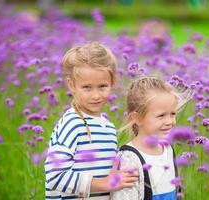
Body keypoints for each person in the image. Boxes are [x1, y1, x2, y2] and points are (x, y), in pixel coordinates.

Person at [44, 42, 138, 199]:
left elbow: (105, 172)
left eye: (102, 86)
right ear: (71, 85)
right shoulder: (72, 124)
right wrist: (105, 184)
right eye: (87, 87)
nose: (96, 95)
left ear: (112, 83)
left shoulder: (108, 127)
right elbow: (54, 177)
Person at [110, 77, 193, 200]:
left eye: (173, 114)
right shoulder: (129, 158)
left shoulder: (168, 149)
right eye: (161, 116)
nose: (170, 121)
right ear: (137, 118)